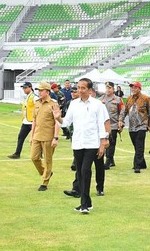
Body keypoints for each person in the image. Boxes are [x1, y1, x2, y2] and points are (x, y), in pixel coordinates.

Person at [54, 78, 109, 214]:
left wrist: (103, 143)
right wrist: (58, 117)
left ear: (90, 90)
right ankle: (88, 202)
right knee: (80, 172)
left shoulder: (98, 105)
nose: (80, 90)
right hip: (78, 143)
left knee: (85, 171)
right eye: (78, 87)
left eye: (83, 88)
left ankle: (83, 204)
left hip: (92, 143)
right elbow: (66, 122)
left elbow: (102, 124)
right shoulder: (73, 104)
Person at [30, 81, 61, 191]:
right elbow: (34, 120)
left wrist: (56, 137)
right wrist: (31, 135)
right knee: (34, 158)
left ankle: (44, 183)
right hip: (37, 135)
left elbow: (57, 122)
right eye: (38, 90)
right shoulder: (37, 103)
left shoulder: (53, 104)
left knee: (48, 160)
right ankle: (46, 172)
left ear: (47, 92)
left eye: (41, 90)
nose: (39, 92)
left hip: (48, 136)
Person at [119, 81, 150, 173]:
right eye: (132, 88)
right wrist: (121, 120)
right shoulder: (129, 99)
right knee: (136, 146)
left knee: (139, 145)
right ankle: (142, 163)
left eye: (135, 88)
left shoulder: (146, 98)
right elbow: (124, 111)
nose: (133, 89)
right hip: (132, 126)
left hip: (142, 125)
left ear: (139, 89)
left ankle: (137, 166)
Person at [8, 82, 36, 159]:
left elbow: (38, 108)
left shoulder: (34, 97)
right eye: (23, 88)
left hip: (32, 121)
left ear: (30, 87)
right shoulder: (27, 97)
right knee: (21, 137)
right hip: (26, 121)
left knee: (36, 138)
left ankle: (39, 154)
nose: (24, 89)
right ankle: (17, 153)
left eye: (25, 88)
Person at [102, 82, 123, 170]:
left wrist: (120, 122)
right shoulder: (100, 99)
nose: (108, 90)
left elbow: (122, 111)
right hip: (102, 126)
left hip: (113, 124)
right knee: (103, 143)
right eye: (106, 88)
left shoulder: (118, 99)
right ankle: (111, 160)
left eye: (109, 88)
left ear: (113, 89)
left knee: (111, 144)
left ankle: (108, 161)